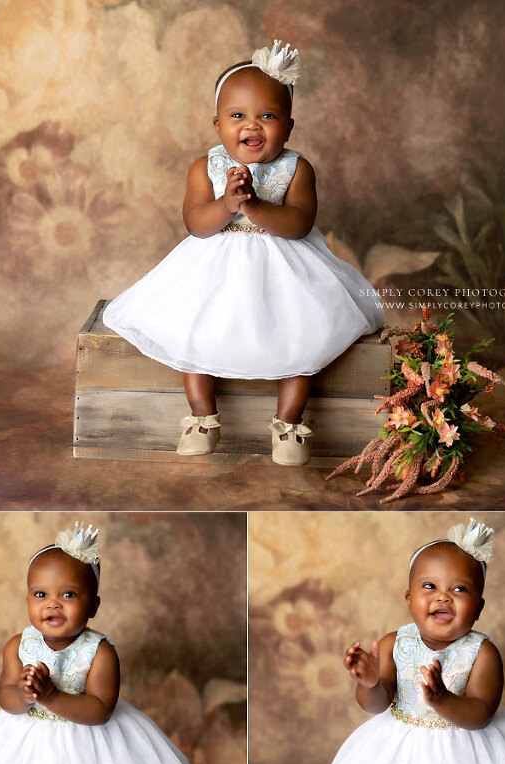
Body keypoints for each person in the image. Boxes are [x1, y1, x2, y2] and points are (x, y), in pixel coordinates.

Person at [103, 41, 383, 466]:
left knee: (303, 334)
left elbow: (299, 224)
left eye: (267, 115)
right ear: (217, 124)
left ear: (288, 126)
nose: (252, 125)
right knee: (190, 330)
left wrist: (255, 206)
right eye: (237, 116)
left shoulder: (297, 168)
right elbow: (196, 223)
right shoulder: (206, 167)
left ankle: (288, 425)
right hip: (214, 264)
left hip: (286, 265)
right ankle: (202, 418)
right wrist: (227, 205)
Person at [330, 518, 505, 764]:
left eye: (459, 589)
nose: (443, 597)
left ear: (478, 608)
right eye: (429, 586)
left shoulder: (482, 653)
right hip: (401, 747)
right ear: (409, 598)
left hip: (468, 751)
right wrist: (371, 684)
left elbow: (481, 714)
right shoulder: (393, 644)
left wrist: (443, 700)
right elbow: (375, 706)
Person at [0, 522, 190, 764]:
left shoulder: (100, 652)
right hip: (26, 741)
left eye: (68, 595)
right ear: (27, 599)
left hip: (88, 745)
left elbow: (101, 710)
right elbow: (5, 696)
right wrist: (24, 694)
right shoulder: (18, 645)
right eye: (40, 594)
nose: (53, 604)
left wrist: (52, 696)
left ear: (93, 607)